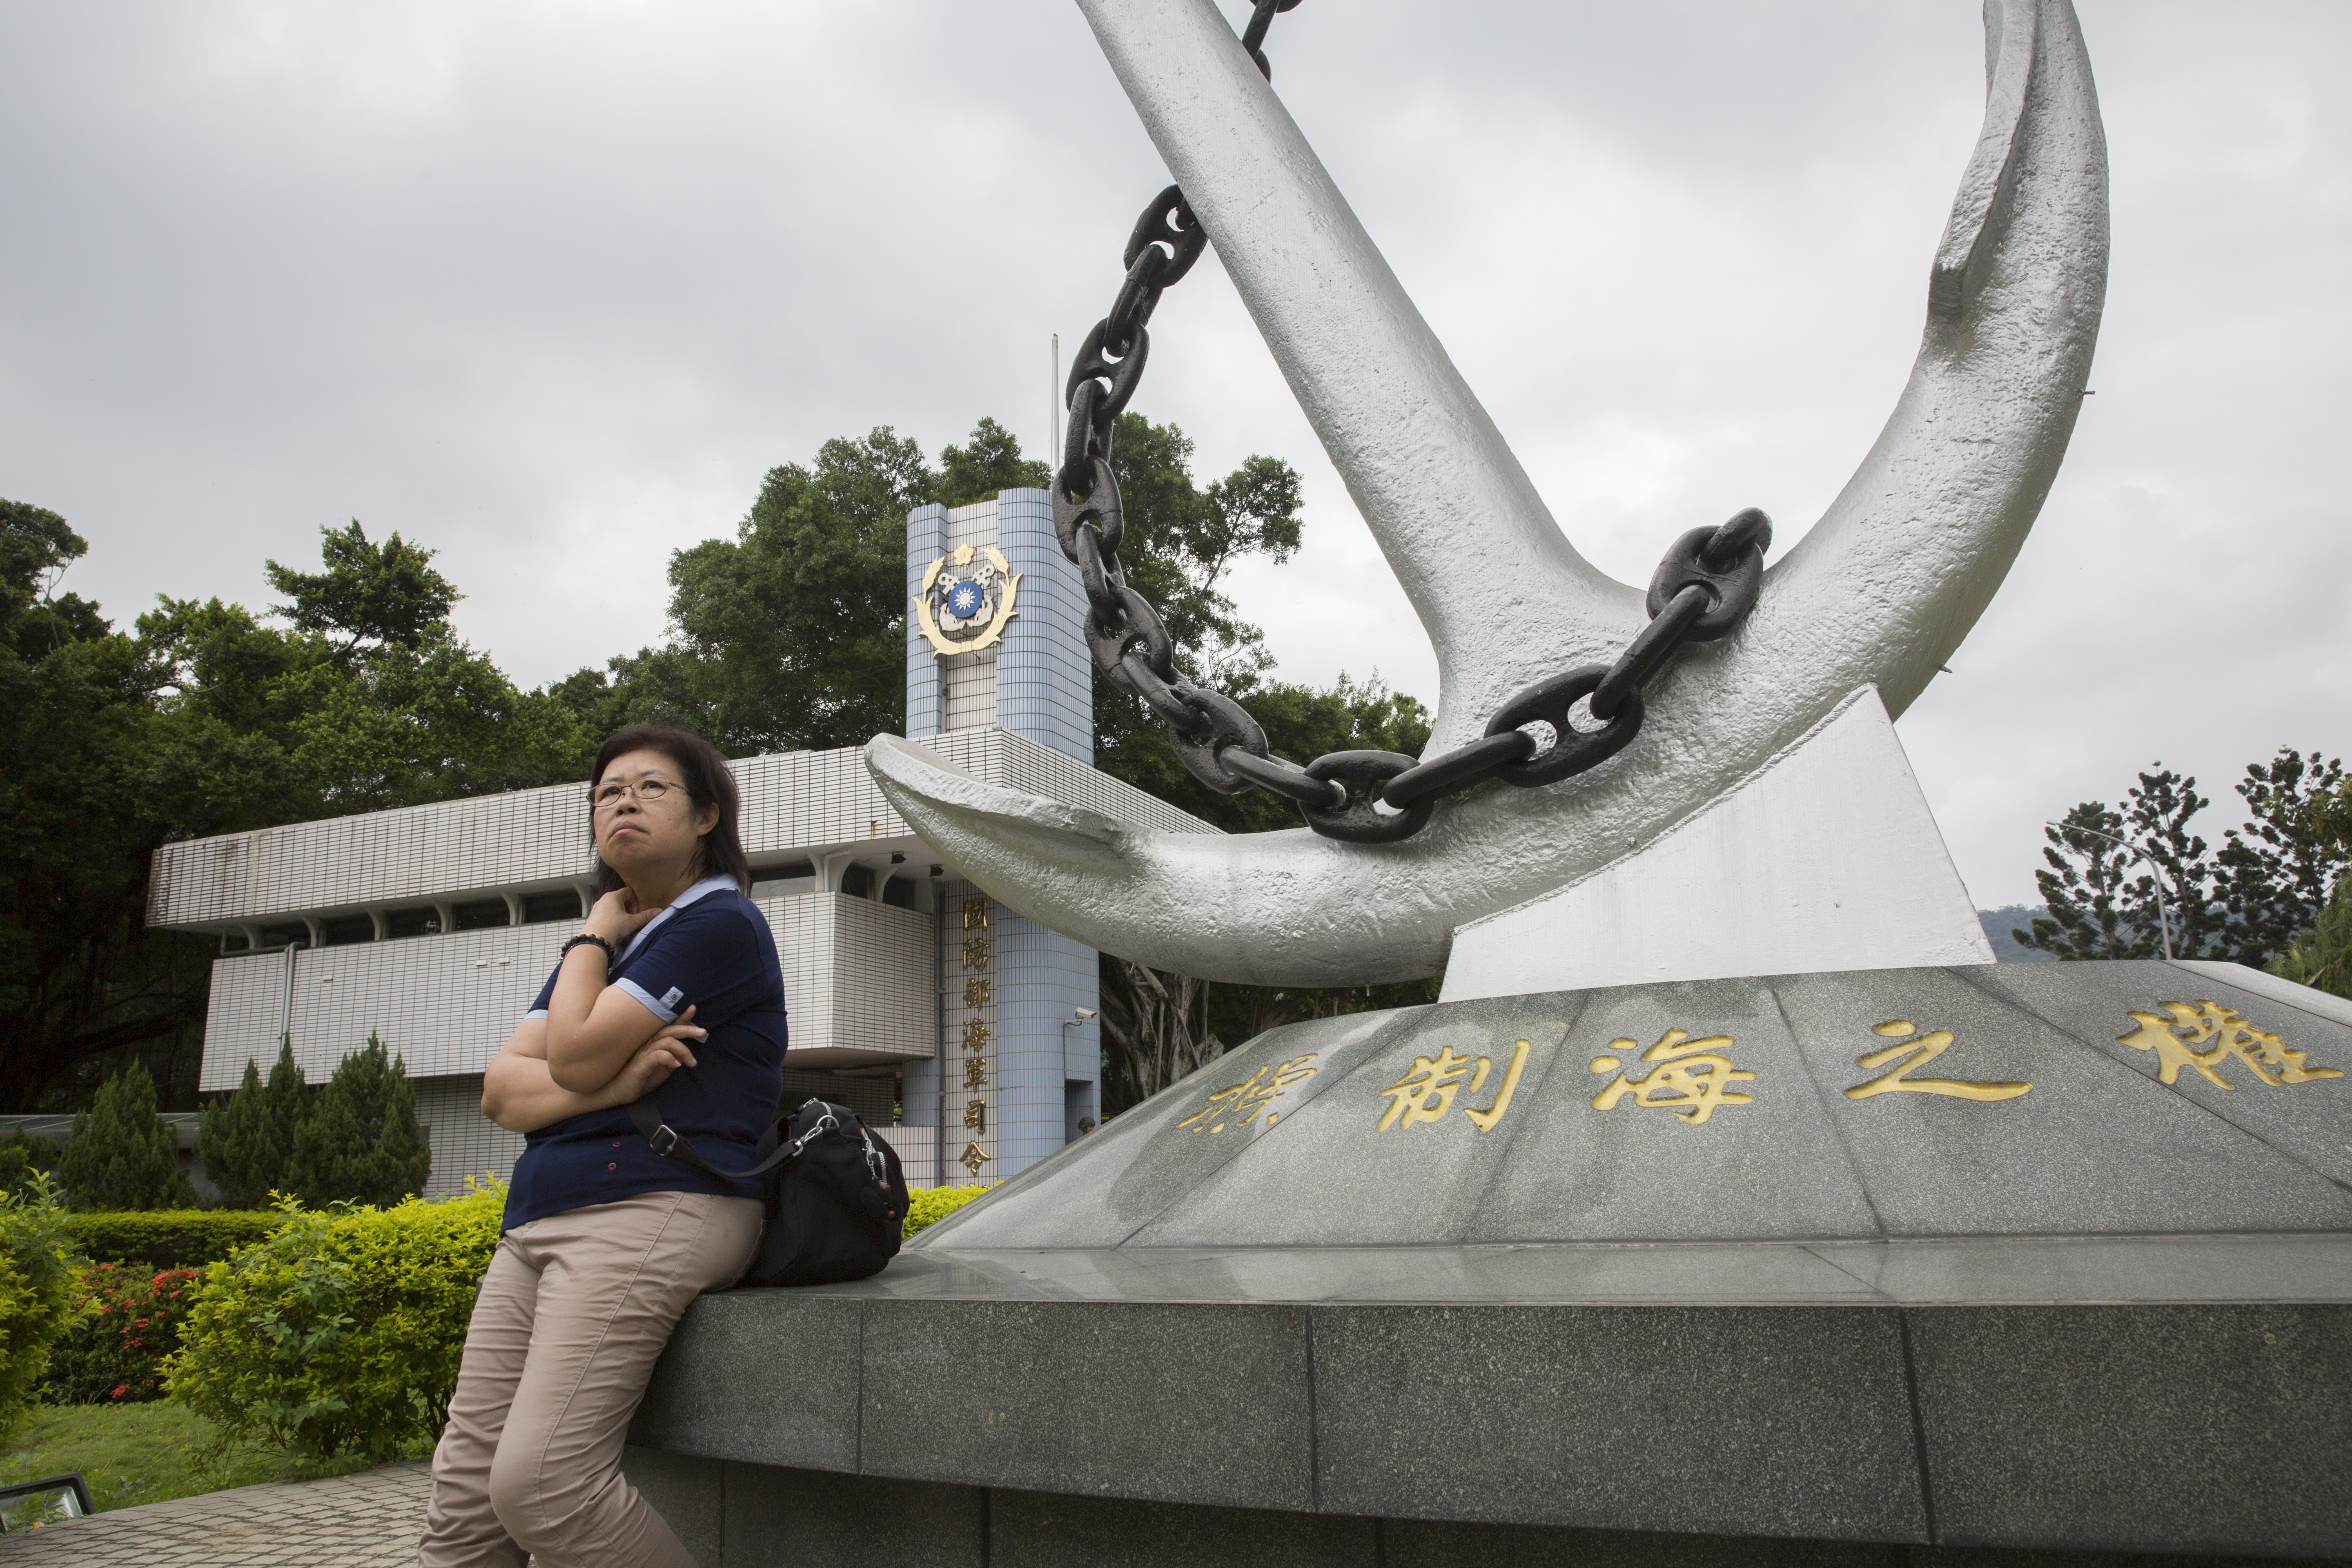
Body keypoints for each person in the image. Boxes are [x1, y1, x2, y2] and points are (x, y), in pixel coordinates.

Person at [419, 726, 785, 1568]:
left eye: (651, 787)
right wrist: (619, 1083)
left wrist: (587, 945)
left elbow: (570, 1054)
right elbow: (501, 1092)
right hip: (541, 1216)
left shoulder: (720, 924)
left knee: (542, 1484)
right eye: (606, 791)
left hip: (655, 1205)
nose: (622, 800)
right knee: (465, 1504)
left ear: (706, 816)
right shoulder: (616, 943)